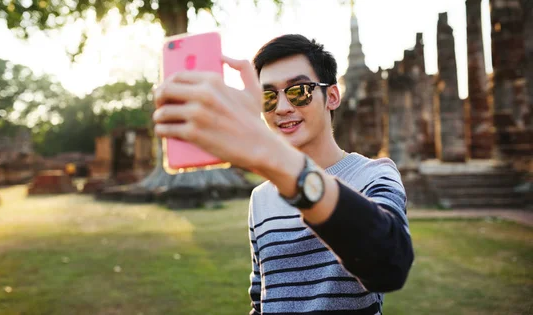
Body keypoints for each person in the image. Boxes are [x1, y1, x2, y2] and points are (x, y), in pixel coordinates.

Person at [153, 34, 414, 314]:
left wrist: (278, 160)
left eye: (299, 91)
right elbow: (262, 299)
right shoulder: (261, 197)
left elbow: (390, 264)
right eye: (268, 97)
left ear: (333, 97)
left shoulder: (373, 175)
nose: (282, 108)